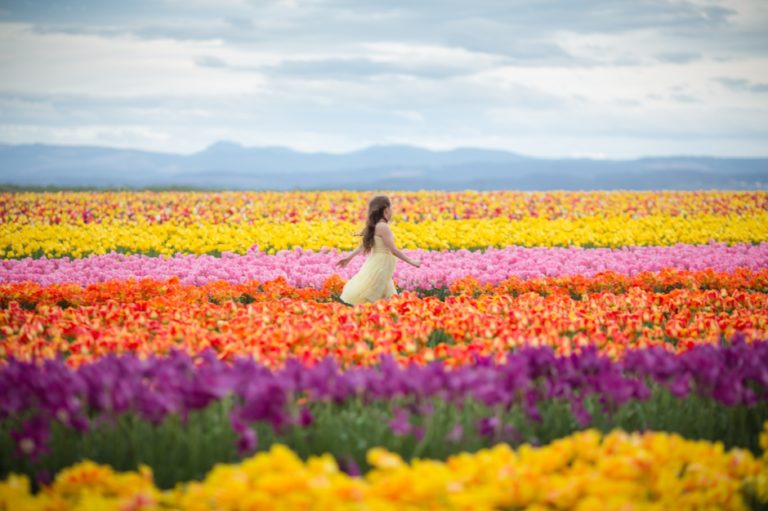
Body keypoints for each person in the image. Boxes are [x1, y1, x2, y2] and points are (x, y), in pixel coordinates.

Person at [336, 195, 421, 305]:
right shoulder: (383, 227)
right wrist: (412, 262)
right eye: (391, 209)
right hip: (382, 264)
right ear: (386, 210)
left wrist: (349, 257)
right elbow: (394, 250)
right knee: (373, 293)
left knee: (384, 293)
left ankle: (384, 314)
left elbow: (363, 245)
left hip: (377, 262)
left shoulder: (375, 226)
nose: (392, 212)